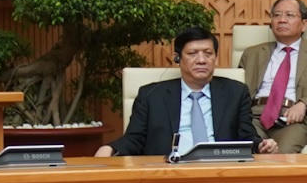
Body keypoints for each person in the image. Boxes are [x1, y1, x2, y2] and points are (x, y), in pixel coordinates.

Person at [99, 28, 275, 156]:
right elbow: (134, 139)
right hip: (167, 172)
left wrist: (262, 145)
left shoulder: (235, 92)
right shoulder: (151, 95)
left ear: (215, 58)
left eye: (208, 53)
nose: (201, 60)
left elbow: (247, 137)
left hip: (220, 168)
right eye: (192, 53)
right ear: (177, 58)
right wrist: (110, 148)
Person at [238, 0, 307, 154]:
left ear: (304, 24)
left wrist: (304, 104)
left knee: (282, 156)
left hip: (294, 120)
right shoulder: (252, 54)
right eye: (277, 15)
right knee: (246, 150)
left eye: (289, 15)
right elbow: (237, 91)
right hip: (255, 117)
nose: (282, 20)